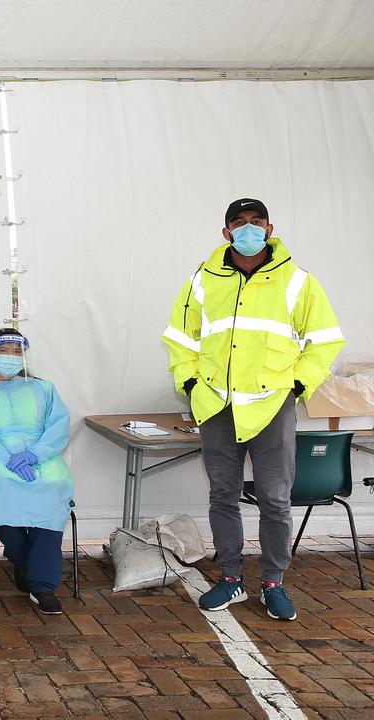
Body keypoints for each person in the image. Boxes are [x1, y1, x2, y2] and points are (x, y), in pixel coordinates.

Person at [163, 198, 344, 621]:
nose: (248, 228)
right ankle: (230, 578)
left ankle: (273, 582)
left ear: (270, 227)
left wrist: (297, 385)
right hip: (217, 404)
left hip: (271, 405)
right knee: (222, 494)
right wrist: (190, 383)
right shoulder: (201, 281)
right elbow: (180, 338)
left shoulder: (298, 281)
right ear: (225, 232)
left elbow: (326, 340)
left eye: (255, 221)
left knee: (275, 499)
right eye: (238, 222)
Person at [0, 328, 73, 615]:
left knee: (55, 486)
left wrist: (35, 454)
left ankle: (43, 587)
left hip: (40, 459)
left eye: (16, 352)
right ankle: (25, 559)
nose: (10, 357)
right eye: (4, 351)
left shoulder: (44, 389)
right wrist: (5, 458)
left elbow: (59, 426)